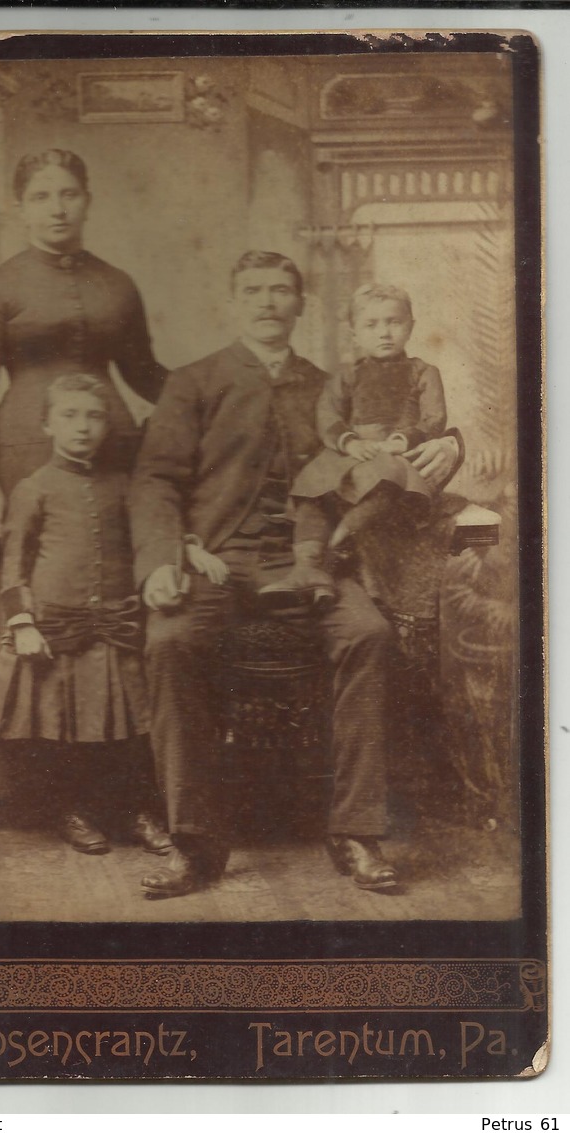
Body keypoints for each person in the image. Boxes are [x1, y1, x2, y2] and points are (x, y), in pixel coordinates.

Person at [129, 251, 461, 899]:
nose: (267, 302)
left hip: (311, 559)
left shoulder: (331, 383)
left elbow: (399, 430)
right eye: (252, 290)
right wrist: (159, 562)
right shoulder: (196, 381)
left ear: (301, 303)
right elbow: (155, 479)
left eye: (281, 290)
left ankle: (356, 832)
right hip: (216, 562)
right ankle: (195, 842)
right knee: (167, 641)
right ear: (233, 302)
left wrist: (453, 443)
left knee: (366, 632)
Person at [0, 148, 165, 804]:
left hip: (113, 449)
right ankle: (16, 781)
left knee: (108, 591)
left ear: (87, 199)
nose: (57, 207)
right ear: (21, 206)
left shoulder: (117, 284)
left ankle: (118, 771)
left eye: (68, 193)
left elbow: (145, 373)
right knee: (23, 598)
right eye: (41, 196)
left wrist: (216, 389)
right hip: (21, 456)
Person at [0, 374, 171, 856]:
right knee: (60, 731)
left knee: (128, 732)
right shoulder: (34, 487)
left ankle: (135, 812)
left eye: (95, 416)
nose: (83, 427)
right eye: (70, 415)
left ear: (107, 426)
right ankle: (70, 810)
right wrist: (23, 623)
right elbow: (15, 562)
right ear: (47, 425)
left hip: (118, 627)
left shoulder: (124, 486)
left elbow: (148, 540)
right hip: (56, 627)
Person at [260, 282, 449, 604]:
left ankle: (332, 556)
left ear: (411, 326)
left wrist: (403, 439)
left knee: (386, 483)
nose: (384, 333)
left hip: (398, 453)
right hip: (356, 451)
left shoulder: (423, 372)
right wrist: (348, 442)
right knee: (313, 491)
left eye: (394, 322)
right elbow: (328, 414)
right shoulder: (348, 376)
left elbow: (434, 418)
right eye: (371, 325)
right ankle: (306, 569)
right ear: (355, 334)